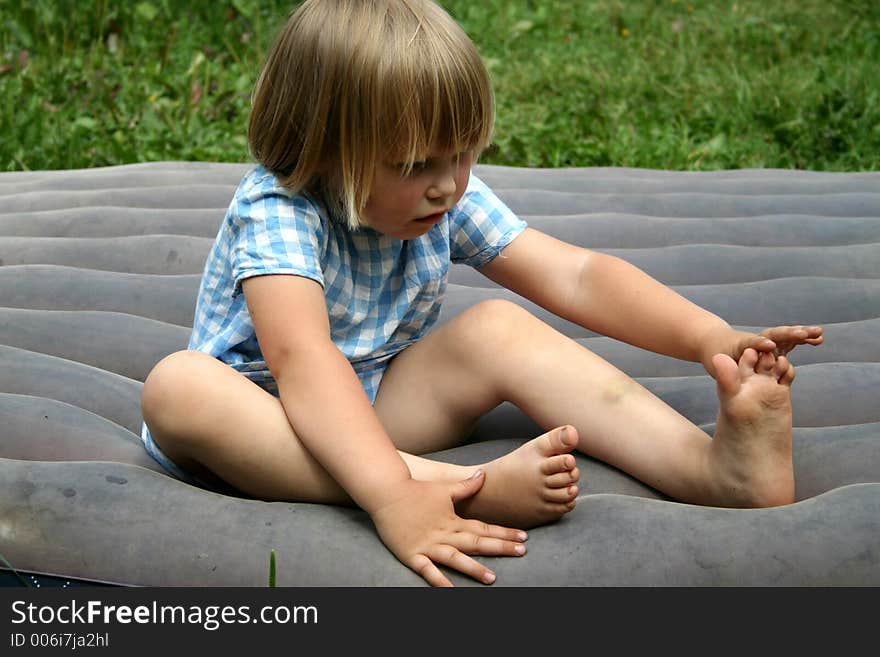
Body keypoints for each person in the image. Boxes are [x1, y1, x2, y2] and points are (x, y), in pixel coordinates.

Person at [140, 0, 823, 587]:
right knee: (178, 387)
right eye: (416, 164)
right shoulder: (278, 207)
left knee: (497, 324)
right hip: (257, 424)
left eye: (463, 153)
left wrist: (709, 337)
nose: (448, 183)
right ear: (320, 149)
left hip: (374, 402)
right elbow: (303, 360)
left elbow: (574, 274)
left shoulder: (437, 194)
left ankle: (711, 473)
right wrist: (392, 496)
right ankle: (458, 490)